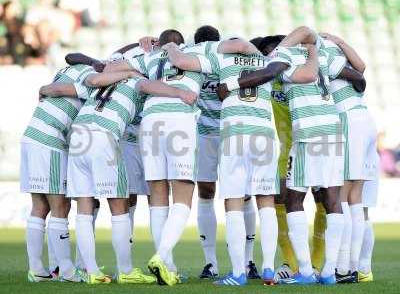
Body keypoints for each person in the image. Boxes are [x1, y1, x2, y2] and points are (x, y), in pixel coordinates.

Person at [162, 29, 318, 285]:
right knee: (265, 201)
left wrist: (169, 47)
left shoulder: (220, 58)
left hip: (235, 134)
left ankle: (238, 273)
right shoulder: (268, 62)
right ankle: (268, 268)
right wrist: (313, 52)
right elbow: (306, 75)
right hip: (265, 135)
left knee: (233, 202)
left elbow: (180, 62)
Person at [217, 26, 367, 285]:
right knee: (332, 199)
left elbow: (303, 70)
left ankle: (307, 271)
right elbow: (359, 77)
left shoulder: (283, 58)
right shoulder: (322, 56)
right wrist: (314, 53)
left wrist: (229, 85)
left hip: (309, 134)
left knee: (294, 199)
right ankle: (329, 272)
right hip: (333, 131)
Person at [60, 64, 197, 285]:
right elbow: (150, 85)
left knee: (84, 207)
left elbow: (90, 81)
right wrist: (180, 92)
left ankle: (92, 272)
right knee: (119, 206)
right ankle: (125, 271)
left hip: (78, 135)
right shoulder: (136, 83)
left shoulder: (101, 84)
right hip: (103, 136)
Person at [103, 29, 204, 286]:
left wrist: (141, 51)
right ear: (183, 43)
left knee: (157, 196)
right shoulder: (198, 53)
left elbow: (110, 69)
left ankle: (167, 267)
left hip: (149, 121)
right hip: (179, 119)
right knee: (183, 193)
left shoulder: (148, 58)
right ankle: (161, 257)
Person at [21, 64, 96, 282]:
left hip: (32, 135)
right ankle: (66, 271)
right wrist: (47, 88)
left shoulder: (67, 71)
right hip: (50, 140)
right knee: (60, 206)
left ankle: (36, 270)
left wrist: (45, 87)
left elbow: (59, 79)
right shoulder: (89, 80)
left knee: (40, 206)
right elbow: (59, 90)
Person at [318, 32, 379, 283]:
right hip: (365, 121)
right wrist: (340, 41)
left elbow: (360, 71)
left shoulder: (323, 56)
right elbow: (362, 68)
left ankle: (343, 267)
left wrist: (333, 41)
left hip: (347, 121)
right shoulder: (343, 59)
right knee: (357, 200)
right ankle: (360, 267)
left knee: (341, 195)